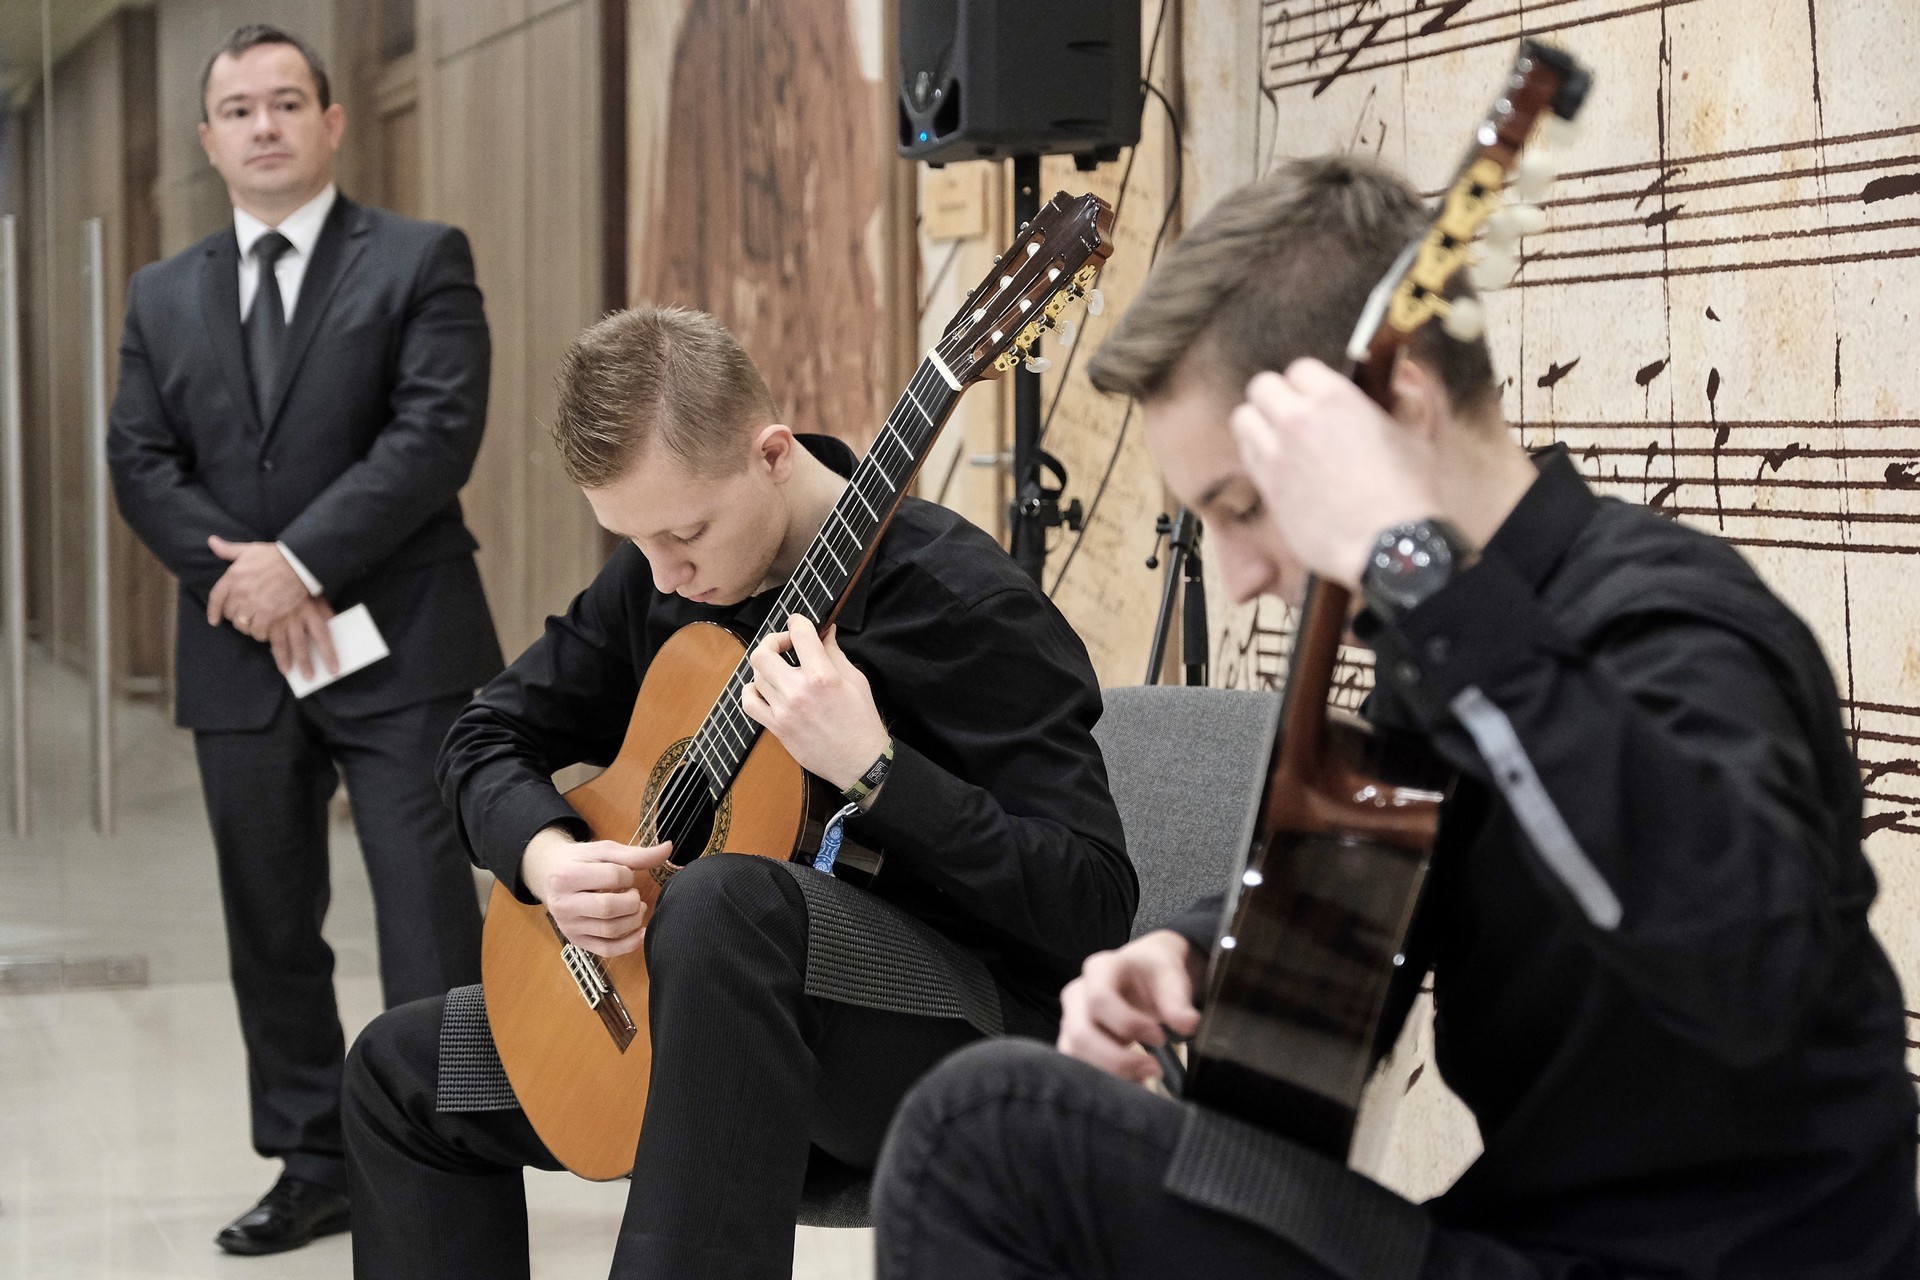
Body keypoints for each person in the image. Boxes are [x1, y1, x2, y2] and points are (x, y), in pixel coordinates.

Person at [871, 156, 1920, 1279]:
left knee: (978, 1132)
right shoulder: (1450, 662)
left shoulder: (1678, 621)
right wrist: (1187, 957)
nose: (1238, 574)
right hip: (1527, 1241)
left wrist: (1414, 567)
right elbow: (1357, 885)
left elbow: (1743, 961)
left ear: (1400, 408)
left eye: (1244, 504)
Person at [339, 305, 1135, 1279]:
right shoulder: (667, 577)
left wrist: (878, 770)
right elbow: (481, 736)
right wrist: (548, 860)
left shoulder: (964, 605)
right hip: (708, 1023)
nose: (667, 574)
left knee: (722, 903)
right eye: (634, 541)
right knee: (402, 1072)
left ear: (772, 454)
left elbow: (1092, 903)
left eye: (687, 532)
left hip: (943, 1039)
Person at [107, 23, 502, 1257]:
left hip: (403, 646)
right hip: (239, 652)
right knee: (269, 923)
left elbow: (435, 432)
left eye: (287, 102)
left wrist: (302, 562)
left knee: (428, 920)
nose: (264, 125)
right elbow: (140, 460)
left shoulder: (421, 259)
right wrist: (251, 585)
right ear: (209, 138)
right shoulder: (159, 294)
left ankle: (447, 1157)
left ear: (333, 122)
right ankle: (313, 1160)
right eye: (239, 109)